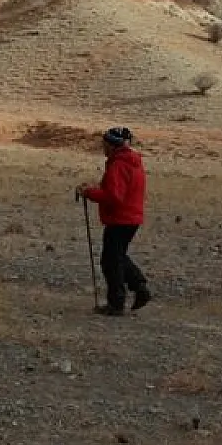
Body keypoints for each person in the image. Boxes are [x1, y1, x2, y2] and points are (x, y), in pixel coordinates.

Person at [76, 126, 150, 316]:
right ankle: (139, 287)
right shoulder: (132, 161)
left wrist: (89, 193)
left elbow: (114, 196)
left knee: (110, 261)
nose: (103, 147)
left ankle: (117, 303)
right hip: (131, 217)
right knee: (117, 256)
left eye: (105, 143)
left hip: (120, 218)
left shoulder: (118, 165)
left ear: (112, 145)